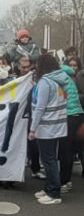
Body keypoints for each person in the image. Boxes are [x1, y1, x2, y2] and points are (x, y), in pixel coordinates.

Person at [29, 54, 67, 205]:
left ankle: (54, 193)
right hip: (56, 126)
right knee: (50, 159)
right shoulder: (59, 81)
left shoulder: (45, 82)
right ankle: (49, 188)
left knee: (48, 161)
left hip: (46, 127)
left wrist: (33, 129)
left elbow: (40, 107)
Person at [58, 60, 84, 192]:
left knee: (65, 150)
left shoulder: (56, 78)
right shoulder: (68, 77)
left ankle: (64, 182)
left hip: (68, 115)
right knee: (70, 149)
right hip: (78, 114)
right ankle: (66, 180)